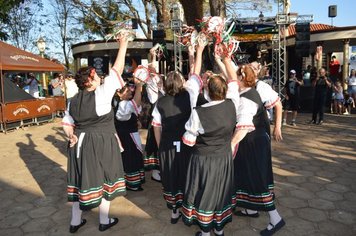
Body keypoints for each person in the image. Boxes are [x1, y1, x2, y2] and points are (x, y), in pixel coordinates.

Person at [61, 35, 129, 233]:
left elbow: (67, 122)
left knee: (80, 181)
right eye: (97, 75)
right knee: (106, 179)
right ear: (90, 80)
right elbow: (117, 69)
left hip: (79, 144)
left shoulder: (72, 100)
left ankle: (75, 222)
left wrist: (70, 135)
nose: (100, 76)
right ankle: (104, 220)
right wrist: (123, 44)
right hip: (100, 142)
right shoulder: (101, 93)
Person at [182, 59, 239, 235]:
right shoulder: (233, 103)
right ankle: (219, 229)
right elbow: (234, 80)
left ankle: (206, 231)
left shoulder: (199, 112)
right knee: (221, 190)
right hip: (224, 157)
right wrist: (225, 58)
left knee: (204, 191)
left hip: (204, 159)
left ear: (207, 90)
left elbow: (189, 140)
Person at [231, 64, 285, 236]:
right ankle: (251, 208)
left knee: (258, 177)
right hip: (251, 139)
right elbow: (230, 70)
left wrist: (277, 127)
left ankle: (275, 218)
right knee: (248, 174)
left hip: (256, 140)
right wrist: (221, 57)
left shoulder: (256, 91)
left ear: (242, 78)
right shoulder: (247, 90)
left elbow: (278, 105)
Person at [151, 70, 193, 224]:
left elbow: (156, 127)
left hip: (168, 144)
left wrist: (160, 146)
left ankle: (175, 211)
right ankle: (187, 209)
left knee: (171, 176)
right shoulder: (189, 96)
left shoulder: (160, 102)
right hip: (186, 143)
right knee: (187, 175)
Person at [114, 78, 145, 191]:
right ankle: (132, 183)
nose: (130, 92)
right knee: (130, 158)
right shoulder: (122, 104)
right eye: (126, 90)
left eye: (130, 90)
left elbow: (135, 109)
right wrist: (139, 87)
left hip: (130, 135)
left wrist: (136, 121)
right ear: (118, 93)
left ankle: (133, 181)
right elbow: (135, 105)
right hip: (126, 137)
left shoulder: (123, 103)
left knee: (133, 157)